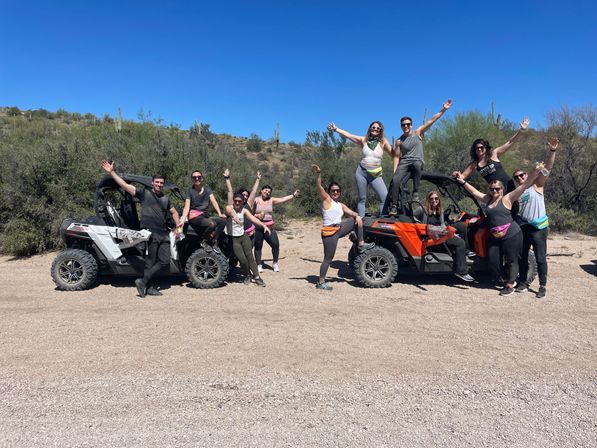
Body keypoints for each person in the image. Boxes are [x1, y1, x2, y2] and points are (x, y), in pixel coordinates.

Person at [455, 165, 543, 296]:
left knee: (512, 259)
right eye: (492, 189)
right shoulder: (488, 199)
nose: (494, 190)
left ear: (502, 189)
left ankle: (509, 286)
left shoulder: (507, 198)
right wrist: (462, 181)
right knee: (493, 259)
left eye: (497, 188)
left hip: (511, 234)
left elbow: (524, 186)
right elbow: (474, 191)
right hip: (495, 236)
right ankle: (506, 279)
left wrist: (535, 172)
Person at [100, 160, 180, 298]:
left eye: (161, 183)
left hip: (164, 233)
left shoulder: (166, 199)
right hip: (149, 233)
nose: (159, 184)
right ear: (152, 182)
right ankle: (149, 287)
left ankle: (142, 281)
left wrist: (178, 228)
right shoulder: (144, 193)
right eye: (157, 182)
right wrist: (112, 172)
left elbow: (174, 212)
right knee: (150, 261)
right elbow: (124, 185)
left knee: (164, 261)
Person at [312, 164, 374, 291]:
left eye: (337, 191)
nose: (335, 192)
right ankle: (321, 282)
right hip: (330, 233)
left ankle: (360, 243)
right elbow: (319, 187)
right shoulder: (326, 200)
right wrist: (318, 174)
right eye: (333, 190)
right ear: (329, 192)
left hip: (339, 229)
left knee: (356, 219)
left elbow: (351, 213)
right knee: (328, 258)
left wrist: (357, 216)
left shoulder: (340, 204)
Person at [388, 99, 453, 215]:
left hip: (417, 161)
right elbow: (397, 157)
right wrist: (395, 171)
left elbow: (432, 120)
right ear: (401, 126)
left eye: (408, 124)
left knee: (417, 164)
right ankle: (393, 205)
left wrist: (443, 109)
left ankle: (416, 192)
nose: (406, 126)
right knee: (396, 180)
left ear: (411, 125)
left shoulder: (417, 133)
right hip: (404, 163)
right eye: (403, 125)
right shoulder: (399, 141)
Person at [514, 137, 559, 299]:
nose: (519, 178)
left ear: (527, 175)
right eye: (516, 177)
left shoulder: (537, 185)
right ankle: (524, 282)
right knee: (523, 256)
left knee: (540, 258)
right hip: (524, 228)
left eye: (522, 175)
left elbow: (548, 167)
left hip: (539, 228)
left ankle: (542, 286)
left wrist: (552, 151)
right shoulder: (518, 193)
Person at [327, 121, 393, 216]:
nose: (375, 129)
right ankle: (361, 221)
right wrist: (336, 129)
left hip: (375, 174)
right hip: (361, 172)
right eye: (373, 127)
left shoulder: (383, 142)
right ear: (370, 129)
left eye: (378, 128)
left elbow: (394, 154)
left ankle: (382, 220)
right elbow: (349, 135)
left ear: (380, 131)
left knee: (384, 197)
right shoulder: (364, 140)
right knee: (362, 199)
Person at [453, 117, 530, 193]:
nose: (479, 149)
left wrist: (521, 131)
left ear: (486, 148)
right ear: (474, 150)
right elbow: (462, 176)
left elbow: (510, 142)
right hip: (496, 191)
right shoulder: (474, 164)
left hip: (508, 185)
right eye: (477, 148)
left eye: (481, 147)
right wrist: (456, 174)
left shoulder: (494, 154)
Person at [418, 191, 474, 282]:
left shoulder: (440, 210)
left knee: (462, 226)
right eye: (431, 199)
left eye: (436, 198)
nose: (434, 200)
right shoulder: (422, 209)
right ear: (428, 200)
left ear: (439, 200)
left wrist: (449, 231)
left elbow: (443, 225)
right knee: (460, 243)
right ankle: (461, 272)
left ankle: (465, 251)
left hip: (442, 233)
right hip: (433, 238)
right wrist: (422, 226)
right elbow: (413, 218)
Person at [224, 193, 270, 287]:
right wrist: (227, 179)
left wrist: (264, 225)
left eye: (239, 201)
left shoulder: (244, 210)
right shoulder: (229, 209)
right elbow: (229, 191)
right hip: (233, 238)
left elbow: (253, 219)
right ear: (233, 201)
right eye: (235, 201)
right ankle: (247, 275)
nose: (237, 202)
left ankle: (257, 277)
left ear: (242, 202)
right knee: (242, 260)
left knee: (250, 257)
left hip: (243, 236)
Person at [253, 183, 299, 273]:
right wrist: (257, 215)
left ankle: (275, 263)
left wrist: (293, 195)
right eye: (266, 190)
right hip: (258, 226)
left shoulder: (271, 200)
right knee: (258, 247)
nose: (267, 192)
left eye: (269, 191)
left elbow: (282, 199)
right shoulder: (255, 200)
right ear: (261, 191)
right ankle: (258, 264)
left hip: (269, 226)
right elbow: (249, 213)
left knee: (275, 245)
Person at [179, 170, 227, 251]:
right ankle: (203, 240)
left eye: (199, 177)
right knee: (212, 224)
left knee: (223, 221)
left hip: (204, 216)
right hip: (195, 216)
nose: (197, 179)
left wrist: (219, 214)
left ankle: (214, 240)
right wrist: (183, 220)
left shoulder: (207, 189)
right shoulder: (190, 191)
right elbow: (187, 206)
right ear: (192, 179)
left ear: (202, 179)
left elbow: (214, 201)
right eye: (194, 177)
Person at [224, 169, 261, 242]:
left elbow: (254, 191)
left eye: (247, 195)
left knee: (248, 253)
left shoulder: (248, 205)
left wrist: (258, 179)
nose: (245, 197)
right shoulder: (233, 204)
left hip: (249, 234)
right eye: (243, 195)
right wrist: (227, 178)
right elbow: (230, 191)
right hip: (236, 235)